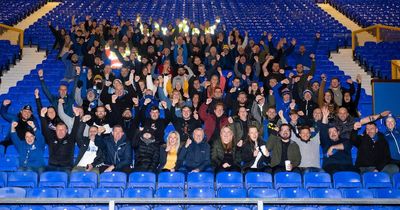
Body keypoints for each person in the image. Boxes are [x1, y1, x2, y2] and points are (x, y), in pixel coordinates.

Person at [320, 106, 356, 174]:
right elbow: (323, 131)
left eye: (334, 131)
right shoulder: (326, 142)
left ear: (338, 132)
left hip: (347, 166)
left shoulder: (345, 140)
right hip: (331, 167)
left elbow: (346, 145)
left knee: (356, 173)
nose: (332, 133)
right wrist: (324, 117)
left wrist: (333, 147)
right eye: (330, 132)